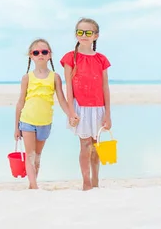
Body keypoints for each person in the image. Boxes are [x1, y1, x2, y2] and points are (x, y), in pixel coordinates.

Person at [14, 38, 75, 189]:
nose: (40, 54)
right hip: (27, 120)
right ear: (31, 56)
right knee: (30, 155)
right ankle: (33, 185)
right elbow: (20, 102)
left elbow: (61, 99)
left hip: (45, 122)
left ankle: (33, 184)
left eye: (44, 52)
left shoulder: (55, 77)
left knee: (37, 156)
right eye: (36, 52)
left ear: (49, 55)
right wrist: (16, 127)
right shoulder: (27, 77)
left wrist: (70, 114)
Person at [60, 17, 112, 191]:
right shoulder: (70, 58)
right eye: (80, 32)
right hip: (80, 107)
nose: (84, 35)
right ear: (76, 35)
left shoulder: (101, 59)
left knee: (96, 145)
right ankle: (86, 182)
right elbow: (69, 87)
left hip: (98, 107)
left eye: (88, 32)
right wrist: (70, 112)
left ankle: (96, 180)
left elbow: (105, 87)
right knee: (85, 145)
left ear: (95, 36)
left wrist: (108, 114)